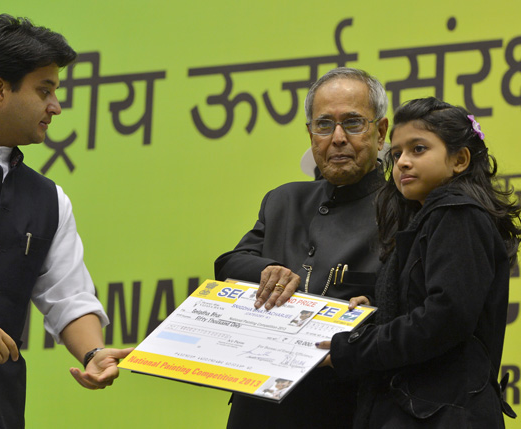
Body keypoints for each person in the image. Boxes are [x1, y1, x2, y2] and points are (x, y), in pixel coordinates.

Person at [0, 14, 131, 428]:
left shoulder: (49, 198)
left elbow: (67, 296)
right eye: (45, 90)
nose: (56, 106)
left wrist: (93, 354)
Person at [320, 97, 520, 427]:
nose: (402, 163)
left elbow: (444, 319)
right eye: (396, 153)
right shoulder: (427, 219)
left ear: (460, 160)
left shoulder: (458, 216)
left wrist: (355, 348)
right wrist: (378, 308)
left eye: (418, 149)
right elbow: (426, 306)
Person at [215, 67, 389, 428]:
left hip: (345, 406)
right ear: (310, 135)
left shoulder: (401, 210)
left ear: (381, 132)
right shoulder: (285, 199)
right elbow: (230, 263)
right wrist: (266, 270)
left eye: (353, 123)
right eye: (323, 125)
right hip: (260, 407)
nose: (337, 138)